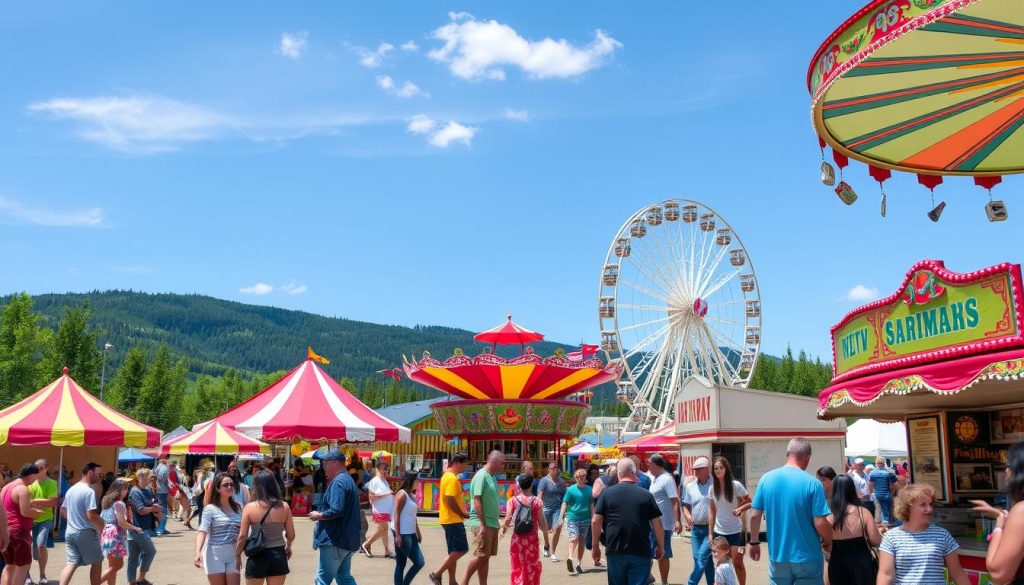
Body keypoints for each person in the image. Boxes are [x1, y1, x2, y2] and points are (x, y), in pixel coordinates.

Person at [748, 438, 831, 585]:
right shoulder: (813, 483)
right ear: (808, 457)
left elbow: (754, 516)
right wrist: (829, 541)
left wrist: (754, 542)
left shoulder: (766, 479)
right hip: (808, 557)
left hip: (778, 556)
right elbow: (820, 521)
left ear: (788, 454)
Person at [877, 483, 969, 585]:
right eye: (923, 504)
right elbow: (885, 575)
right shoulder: (891, 537)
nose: (929, 509)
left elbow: (956, 572)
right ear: (907, 508)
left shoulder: (942, 534)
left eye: (930, 504)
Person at [591, 458, 663, 585]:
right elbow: (657, 523)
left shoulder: (607, 493)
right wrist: (660, 546)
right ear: (634, 473)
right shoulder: (646, 495)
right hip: (640, 550)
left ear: (618, 473)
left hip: (614, 549)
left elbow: (595, 522)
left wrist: (595, 546)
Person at [971, 441, 1024, 584]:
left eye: (1008, 466)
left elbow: (998, 573)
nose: (1005, 471)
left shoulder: (1021, 510)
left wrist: (999, 527)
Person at [310, 449, 360, 585]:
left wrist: (318, 515)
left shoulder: (338, 482)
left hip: (335, 540)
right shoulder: (347, 479)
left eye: (325, 462)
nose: (323, 466)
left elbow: (336, 510)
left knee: (322, 580)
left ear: (336, 463)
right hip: (347, 539)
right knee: (344, 577)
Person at [236, 471, 294, 585]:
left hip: (257, 555)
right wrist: (289, 547)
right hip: (278, 554)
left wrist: (237, 554)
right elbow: (291, 534)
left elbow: (242, 536)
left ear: (256, 486)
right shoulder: (284, 506)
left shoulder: (249, 507)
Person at [823, 475, 879, 585]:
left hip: (838, 561)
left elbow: (826, 544)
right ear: (852, 489)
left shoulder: (829, 516)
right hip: (862, 561)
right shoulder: (864, 512)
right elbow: (875, 540)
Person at [460, 450, 505, 585]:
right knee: (481, 555)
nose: (503, 466)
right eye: (502, 463)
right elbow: (477, 500)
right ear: (493, 461)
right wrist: (483, 524)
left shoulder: (491, 477)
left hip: (491, 522)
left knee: (485, 557)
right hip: (482, 523)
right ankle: (464, 582)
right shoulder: (481, 476)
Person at [59, 462, 104, 585]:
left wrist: (74, 520)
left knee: (72, 563)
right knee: (97, 561)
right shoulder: (89, 491)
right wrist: (103, 528)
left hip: (70, 532)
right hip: (84, 532)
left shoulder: (72, 489)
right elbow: (91, 515)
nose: (100, 476)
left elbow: (62, 510)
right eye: (99, 474)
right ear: (90, 473)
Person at [707, 456, 750, 585]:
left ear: (726, 469)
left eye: (721, 468)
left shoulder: (736, 485)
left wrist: (740, 509)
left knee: (737, 562)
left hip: (736, 531)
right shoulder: (712, 488)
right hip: (719, 531)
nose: (718, 470)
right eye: (715, 468)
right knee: (722, 563)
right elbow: (711, 512)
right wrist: (710, 533)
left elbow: (750, 502)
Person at [428, 453, 470, 585]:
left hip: (448, 519)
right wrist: (461, 513)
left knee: (453, 552)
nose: (466, 466)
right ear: (458, 462)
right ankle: (437, 573)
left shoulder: (446, 475)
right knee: (461, 549)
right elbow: (449, 498)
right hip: (453, 519)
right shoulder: (451, 478)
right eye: (465, 463)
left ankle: (452, 580)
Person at [500, 473, 549, 585]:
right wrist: (546, 541)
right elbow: (542, 524)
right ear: (532, 484)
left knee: (517, 566)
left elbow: (508, 518)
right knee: (532, 566)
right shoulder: (537, 501)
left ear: (519, 486)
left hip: (517, 541)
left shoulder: (512, 501)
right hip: (532, 541)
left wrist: (503, 530)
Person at [195, 473, 243, 585]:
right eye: (225, 485)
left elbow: (243, 531)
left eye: (232, 484)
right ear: (217, 488)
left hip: (233, 554)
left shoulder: (238, 508)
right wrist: (197, 553)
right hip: (214, 555)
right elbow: (202, 531)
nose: (230, 487)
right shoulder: (210, 509)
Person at [2, 463, 42, 585]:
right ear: (31, 475)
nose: (35, 480)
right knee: (23, 566)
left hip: (6, 530)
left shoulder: (6, 487)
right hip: (19, 532)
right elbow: (25, 512)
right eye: (35, 477)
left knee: (10, 565)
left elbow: (10, 507)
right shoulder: (23, 488)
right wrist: (37, 513)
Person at [100, 479, 143, 585]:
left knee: (112, 567)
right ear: (118, 490)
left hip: (105, 535)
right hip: (115, 536)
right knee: (117, 565)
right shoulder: (119, 504)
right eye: (125, 489)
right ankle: (95, 582)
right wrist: (135, 528)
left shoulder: (106, 501)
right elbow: (121, 523)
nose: (127, 491)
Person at [647, 454, 681, 585]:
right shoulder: (656, 478)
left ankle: (664, 582)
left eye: (649, 463)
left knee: (663, 553)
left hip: (664, 524)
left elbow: (675, 500)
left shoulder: (666, 479)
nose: (647, 466)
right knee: (651, 550)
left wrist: (677, 520)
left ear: (655, 464)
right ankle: (649, 576)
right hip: (653, 522)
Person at [682, 456, 714, 585]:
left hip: (710, 529)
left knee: (701, 558)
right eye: (695, 469)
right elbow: (685, 504)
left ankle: (691, 583)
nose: (695, 472)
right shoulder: (690, 486)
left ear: (706, 470)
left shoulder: (715, 484)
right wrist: (687, 514)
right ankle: (712, 582)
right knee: (701, 559)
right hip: (696, 529)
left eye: (699, 469)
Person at [127, 468, 160, 585]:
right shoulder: (135, 492)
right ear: (140, 478)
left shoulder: (147, 490)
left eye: (150, 476)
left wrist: (155, 508)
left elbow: (153, 501)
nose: (150, 479)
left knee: (133, 558)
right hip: (137, 528)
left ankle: (132, 582)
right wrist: (153, 508)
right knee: (150, 551)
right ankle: (140, 578)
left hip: (142, 528)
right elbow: (140, 510)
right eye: (147, 477)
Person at [28, 459, 58, 585]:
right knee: (29, 549)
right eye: (36, 468)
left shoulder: (52, 483)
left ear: (46, 468)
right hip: (30, 519)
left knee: (41, 544)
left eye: (40, 468)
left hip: (45, 519)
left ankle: (42, 575)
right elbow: (27, 502)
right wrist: (41, 502)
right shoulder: (30, 484)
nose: (37, 470)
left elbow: (53, 502)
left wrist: (34, 501)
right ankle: (27, 576)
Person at [558, 469, 593, 575]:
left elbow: (592, 505)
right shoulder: (571, 490)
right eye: (578, 477)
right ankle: (570, 558)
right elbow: (565, 503)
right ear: (575, 478)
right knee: (574, 538)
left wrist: (593, 518)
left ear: (585, 477)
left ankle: (578, 564)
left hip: (585, 519)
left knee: (582, 541)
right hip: (572, 517)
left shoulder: (589, 490)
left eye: (582, 476)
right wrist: (561, 516)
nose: (580, 478)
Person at [392, 472, 424, 585]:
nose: (418, 482)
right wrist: (398, 535)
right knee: (401, 563)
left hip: (411, 533)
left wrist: (418, 532)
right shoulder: (402, 494)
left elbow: (413, 517)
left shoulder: (412, 496)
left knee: (419, 562)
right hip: (403, 533)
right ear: (410, 480)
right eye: (416, 480)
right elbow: (396, 514)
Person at [362, 460, 394, 558]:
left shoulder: (384, 481)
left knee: (384, 529)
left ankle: (386, 550)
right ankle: (366, 544)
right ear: (378, 469)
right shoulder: (374, 481)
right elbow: (371, 497)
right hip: (379, 509)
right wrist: (385, 494)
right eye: (383, 469)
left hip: (386, 509)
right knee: (382, 529)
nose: (385, 471)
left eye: (386, 469)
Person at [536, 462, 566, 562]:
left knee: (556, 529)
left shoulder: (561, 482)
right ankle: (546, 545)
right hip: (546, 508)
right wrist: (538, 506)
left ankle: (553, 553)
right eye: (552, 468)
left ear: (558, 469)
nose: (554, 469)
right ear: (548, 470)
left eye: (556, 468)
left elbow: (564, 497)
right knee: (544, 528)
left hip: (557, 508)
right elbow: (540, 494)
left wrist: (564, 510)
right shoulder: (544, 481)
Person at [869, 459, 899, 526]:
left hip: (877, 494)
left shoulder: (873, 473)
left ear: (876, 464)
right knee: (886, 509)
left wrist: (871, 493)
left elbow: (871, 484)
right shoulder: (888, 473)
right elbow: (893, 485)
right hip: (886, 494)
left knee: (878, 509)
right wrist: (892, 493)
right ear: (884, 463)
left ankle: (878, 524)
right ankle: (886, 524)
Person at [153, 456, 170, 536]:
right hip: (163, 490)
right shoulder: (164, 468)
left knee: (160, 509)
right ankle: (161, 528)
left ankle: (160, 528)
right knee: (163, 510)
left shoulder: (157, 467)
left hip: (159, 490)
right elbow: (162, 479)